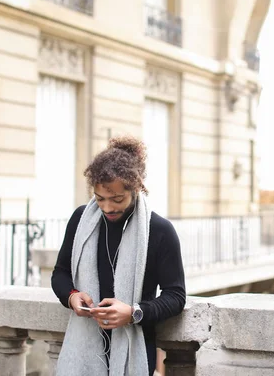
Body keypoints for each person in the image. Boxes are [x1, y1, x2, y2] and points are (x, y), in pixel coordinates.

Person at [51, 136, 186, 375]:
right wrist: (71, 296)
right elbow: (60, 273)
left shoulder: (159, 230)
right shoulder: (81, 220)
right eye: (100, 198)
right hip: (83, 348)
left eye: (117, 199)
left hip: (136, 347)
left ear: (135, 188)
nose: (108, 208)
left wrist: (134, 313)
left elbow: (175, 296)